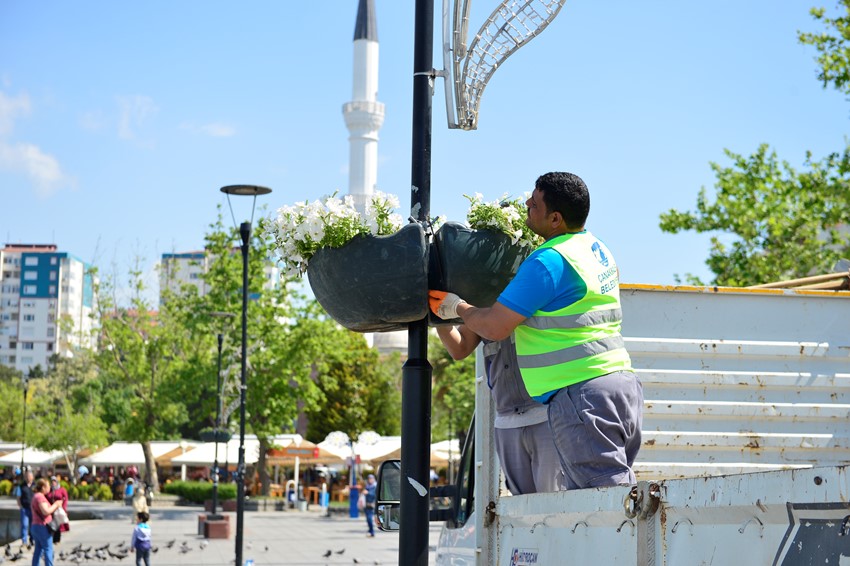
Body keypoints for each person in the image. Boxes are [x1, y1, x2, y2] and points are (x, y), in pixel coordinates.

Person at [429, 171, 643, 490]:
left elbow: (495, 326)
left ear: (555, 218)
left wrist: (456, 307)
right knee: (613, 496)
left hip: (581, 396)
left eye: (535, 202)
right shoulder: (597, 249)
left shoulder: (548, 262)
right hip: (620, 387)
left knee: (606, 507)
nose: (527, 204)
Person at [435, 327, 565, 494]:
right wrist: (438, 315)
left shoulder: (490, 309)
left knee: (554, 504)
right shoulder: (480, 307)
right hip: (506, 421)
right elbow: (459, 349)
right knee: (522, 508)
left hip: (547, 414)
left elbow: (500, 320)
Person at [30, 477, 64, 566]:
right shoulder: (40, 497)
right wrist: (56, 505)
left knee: (38, 549)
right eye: (48, 486)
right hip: (42, 526)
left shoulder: (35, 496)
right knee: (48, 549)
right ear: (43, 487)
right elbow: (46, 511)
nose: (50, 487)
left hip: (35, 526)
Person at [14, 470, 34, 549]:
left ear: (32, 477)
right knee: (25, 525)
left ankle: (32, 540)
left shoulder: (35, 485)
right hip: (24, 509)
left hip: (33, 509)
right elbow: (18, 497)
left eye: (29, 476)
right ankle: (24, 541)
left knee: (33, 526)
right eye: (26, 476)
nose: (28, 477)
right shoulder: (21, 486)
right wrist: (20, 506)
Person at [46, 476, 69, 544]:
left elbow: (65, 499)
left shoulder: (61, 490)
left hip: (59, 509)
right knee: (52, 525)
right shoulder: (49, 490)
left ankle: (57, 539)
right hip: (51, 510)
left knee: (59, 524)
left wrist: (64, 507)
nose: (53, 483)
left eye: (54, 481)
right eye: (52, 482)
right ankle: (52, 538)